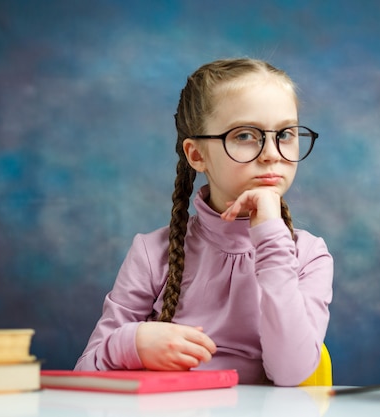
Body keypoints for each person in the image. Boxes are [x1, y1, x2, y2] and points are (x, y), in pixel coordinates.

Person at [74, 58, 333, 386]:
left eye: (285, 134)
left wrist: (269, 234)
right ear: (196, 155)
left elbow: (291, 373)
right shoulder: (152, 253)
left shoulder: (309, 255)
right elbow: (84, 374)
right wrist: (133, 343)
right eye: (244, 135)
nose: (271, 153)